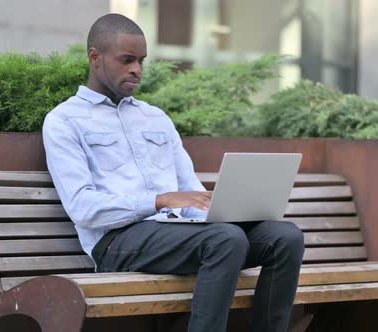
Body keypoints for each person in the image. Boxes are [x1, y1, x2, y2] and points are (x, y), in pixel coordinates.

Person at [42, 13, 304, 332]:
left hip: (179, 232)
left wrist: (218, 210)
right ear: (95, 57)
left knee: (284, 236)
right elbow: (83, 208)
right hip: (116, 240)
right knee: (225, 240)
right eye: (127, 60)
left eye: (141, 61)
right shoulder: (64, 122)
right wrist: (158, 200)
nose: (136, 70)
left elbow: (188, 188)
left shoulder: (156, 118)